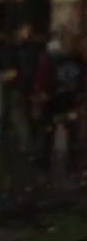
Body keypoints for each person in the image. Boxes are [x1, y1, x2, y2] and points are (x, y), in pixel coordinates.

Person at [31, 31, 85, 176]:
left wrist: (78, 103)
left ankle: (72, 166)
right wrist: (40, 95)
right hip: (52, 100)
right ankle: (45, 166)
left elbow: (81, 82)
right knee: (48, 134)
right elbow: (42, 78)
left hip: (69, 101)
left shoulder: (79, 60)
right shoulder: (52, 58)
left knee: (72, 134)